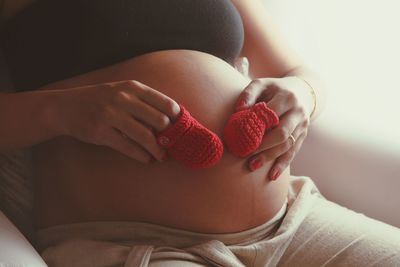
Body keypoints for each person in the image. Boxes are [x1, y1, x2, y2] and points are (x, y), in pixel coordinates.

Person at [1, 0, 400, 266]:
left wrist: (303, 95)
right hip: (132, 246)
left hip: (293, 221)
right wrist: (60, 109)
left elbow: (298, 71)